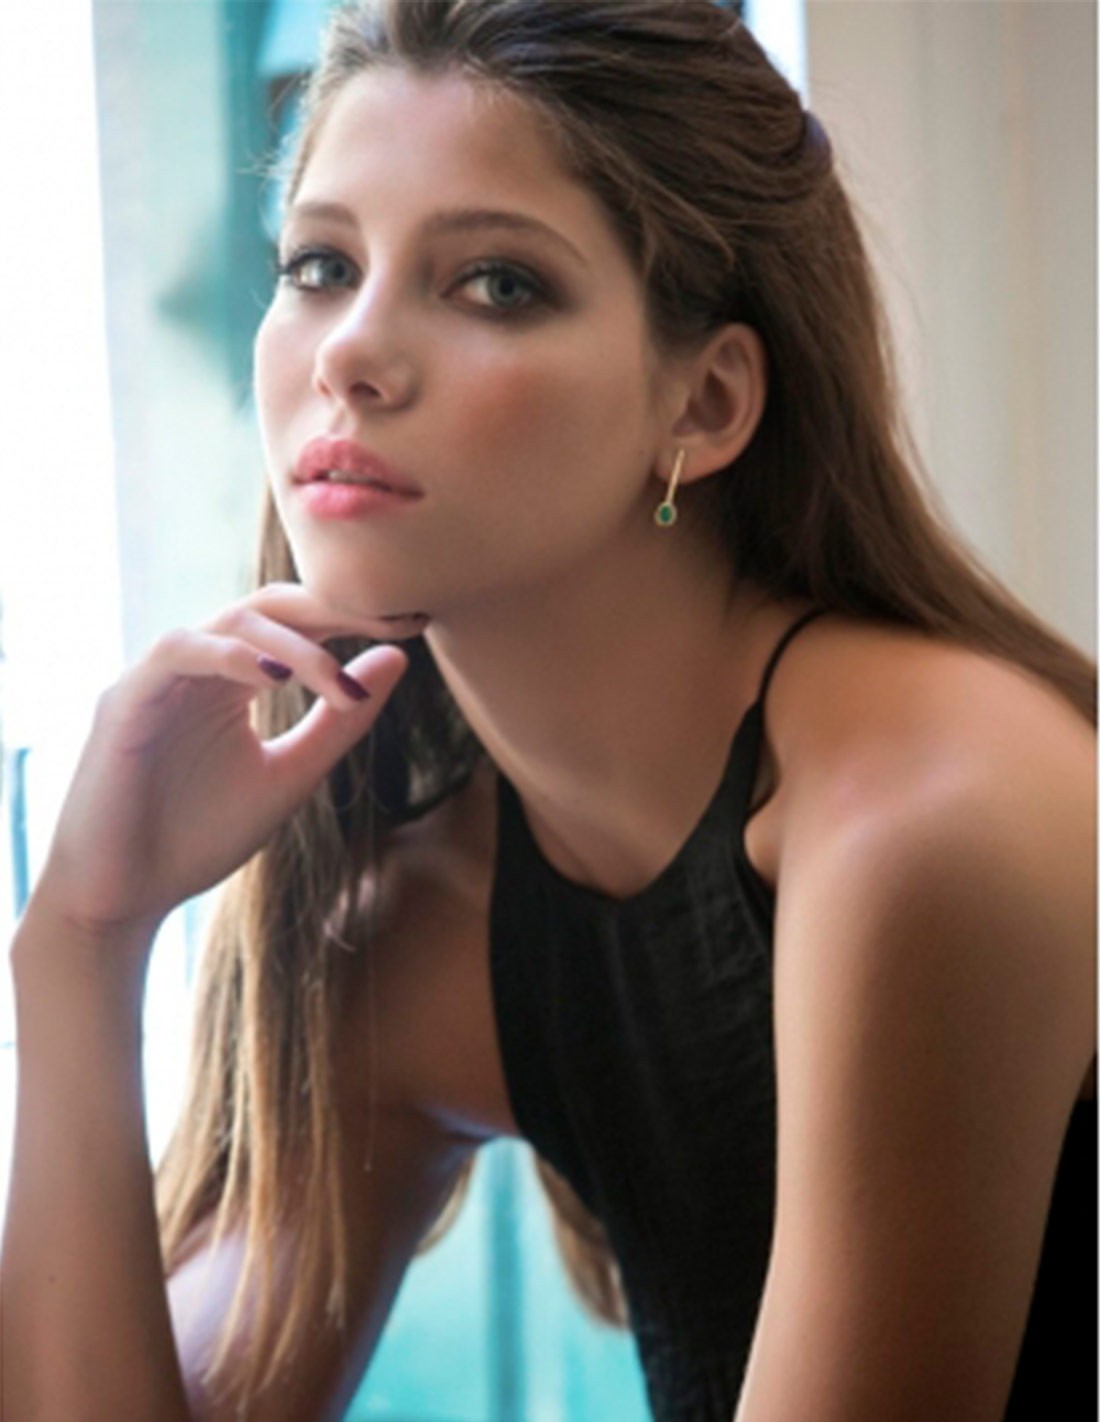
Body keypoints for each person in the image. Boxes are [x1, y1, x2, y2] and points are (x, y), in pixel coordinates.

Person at [3, 1, 1095, 1419]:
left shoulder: (928, 820)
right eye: (320, 265)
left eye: (495, 284)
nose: (349, 354)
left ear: (704, 403)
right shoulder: (427, 927)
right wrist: (80, 943)